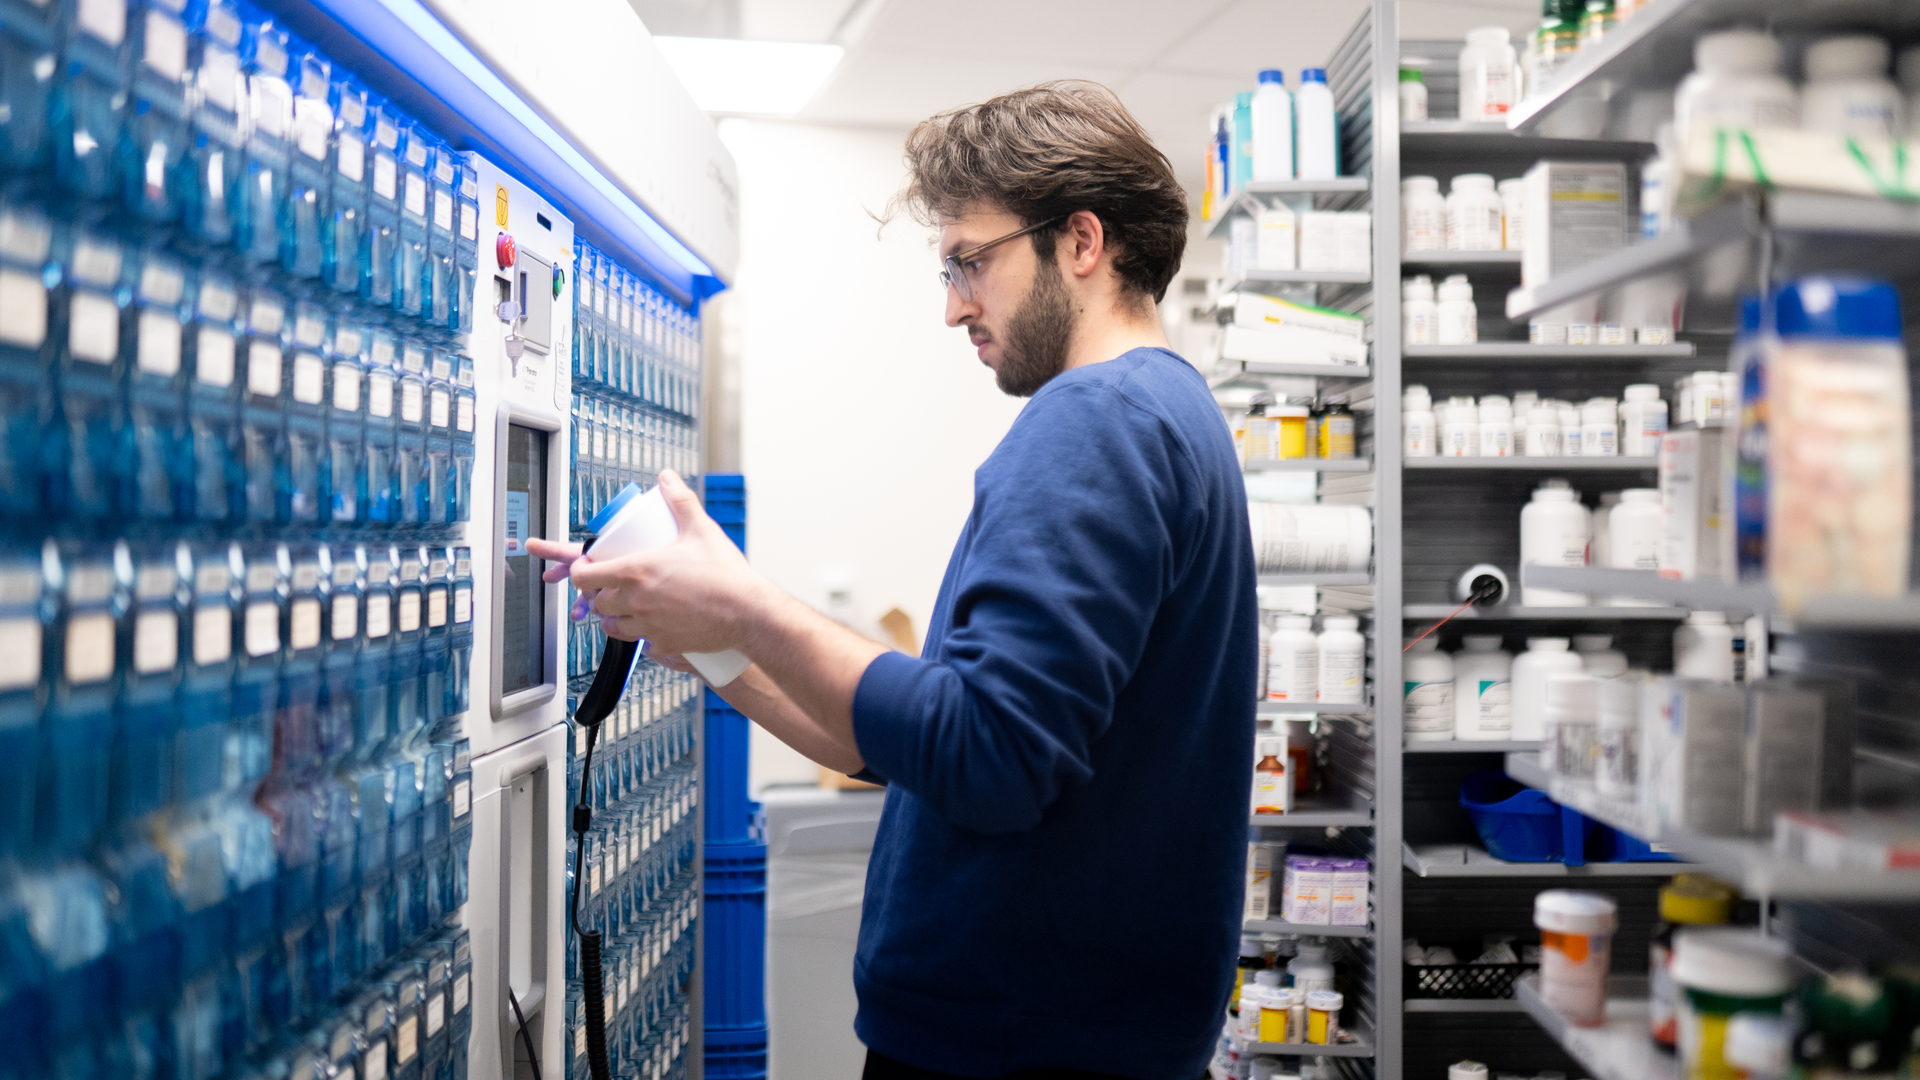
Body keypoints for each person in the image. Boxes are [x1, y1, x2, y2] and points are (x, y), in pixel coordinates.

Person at [527, 81, 1257, 1080]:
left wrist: (743, 602)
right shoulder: (1170, 413)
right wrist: (710, 643)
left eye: (969, 261)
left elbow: (987, 755)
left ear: (1081, 243)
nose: (954, 303)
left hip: (1018, 1050)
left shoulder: (1100, 422)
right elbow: (923, 751)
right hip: (1076, 1039)